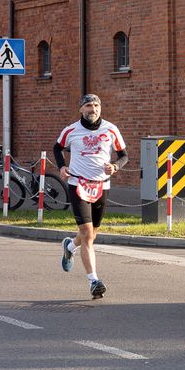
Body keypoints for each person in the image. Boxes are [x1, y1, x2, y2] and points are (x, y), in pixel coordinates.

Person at [54, 94, 128, 300]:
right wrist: (61, 166)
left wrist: (115, 166)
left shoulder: (111, 129)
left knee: (91, 235)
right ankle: (94, 281)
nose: (92, 109)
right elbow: (57, 147)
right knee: (87, 233)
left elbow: (124, 155)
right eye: (88, 106)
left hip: (102, 185)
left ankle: (69, 246)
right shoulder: (71, 130)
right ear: (81, 109)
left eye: (96, 105)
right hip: (78, 184)